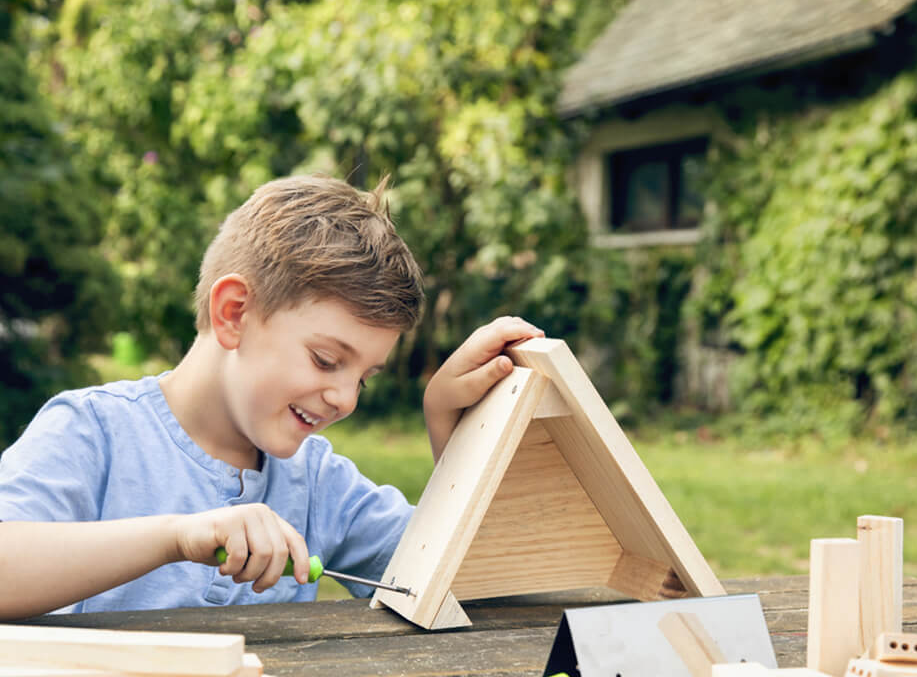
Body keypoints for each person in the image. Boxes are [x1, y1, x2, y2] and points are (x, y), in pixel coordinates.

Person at [0, 175, 543, 620]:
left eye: (364, 377)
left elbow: (478, 585)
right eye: (326, 360)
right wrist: (177, 536)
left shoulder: (320, 484)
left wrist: (457, 436)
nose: (344, 398)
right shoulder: (93, 432)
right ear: (234, 313)